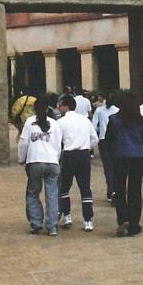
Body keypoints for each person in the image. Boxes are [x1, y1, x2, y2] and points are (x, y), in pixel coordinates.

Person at [105, 92, 143, 236]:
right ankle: (134, 223)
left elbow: (108, 139)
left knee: (120, 190)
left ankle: (122, 219)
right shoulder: (139, 121)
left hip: (119, 156)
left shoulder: (114, 119)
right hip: (137, 157)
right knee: (135, 190)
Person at [17, 99, 63, 236]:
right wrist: (56, 158)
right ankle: (52, 226)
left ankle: (36, 222)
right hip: (52, 162)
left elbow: (24, 143)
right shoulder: (54, 124)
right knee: (52, 194)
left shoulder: (30, 123)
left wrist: (21, 158)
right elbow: (58, 145)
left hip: (35, 161)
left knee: (33, 192)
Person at [56, 96, 99, 231]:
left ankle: (67, 215)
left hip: (69, 155)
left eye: (61, 105)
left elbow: (57, 142)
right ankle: (87, 220)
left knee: (64, 187)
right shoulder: (85, 120)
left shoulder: (61, 122)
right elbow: (95, 139)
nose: (59, 107)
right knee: (85, 187)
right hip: (83, 155)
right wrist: (86, 146)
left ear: (66, 106)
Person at [92, 92, 118, 202]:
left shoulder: (99, 110)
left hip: (103, 140)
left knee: (108, 167)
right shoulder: (117, 110)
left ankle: (111, 190)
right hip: (116, 141)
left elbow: (94, 126)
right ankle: (116, 190)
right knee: (116, 166)